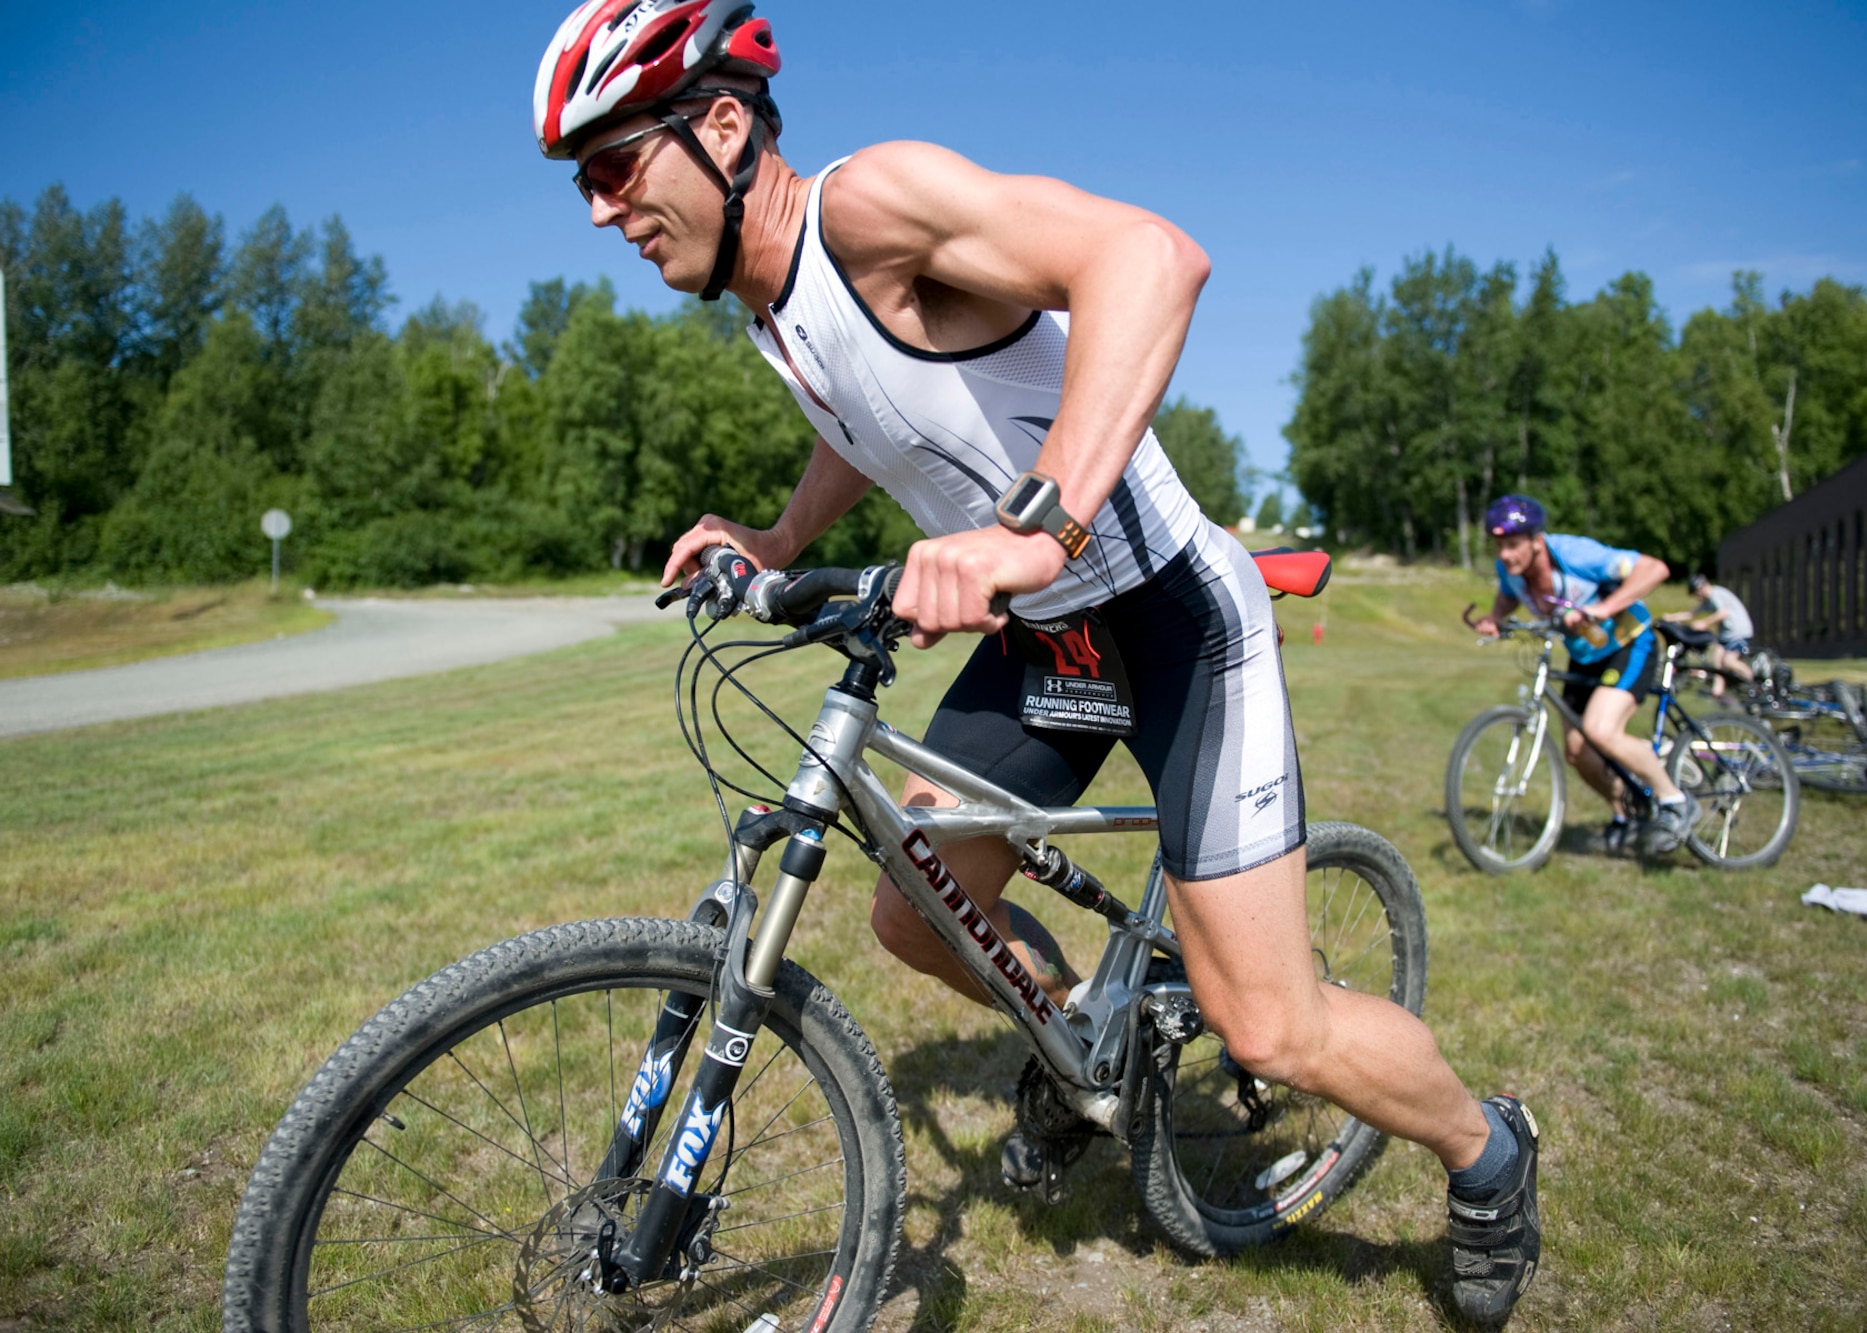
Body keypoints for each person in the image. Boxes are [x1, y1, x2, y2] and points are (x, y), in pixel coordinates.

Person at [535, 2, 1539, 1320]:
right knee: (916, 905)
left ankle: (1488, 1150)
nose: (603, 212)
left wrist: (1036, 523)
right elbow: (875, 415)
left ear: (721, 127)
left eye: (613, 168)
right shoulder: (775, 305)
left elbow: (1150, 257)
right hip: (1054, 633)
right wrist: (780, 533)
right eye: (584, 185)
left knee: (1271, 1024)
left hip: (1171, 614)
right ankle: (1087, 1045)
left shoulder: (873, 205)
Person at [1470, 496, 1694, 857]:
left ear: (1536, 541)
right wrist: (1495, 619)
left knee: (1601, 730)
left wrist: (1601, 608)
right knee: (1578, 752)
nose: (1505, 555)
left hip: (1628, 643)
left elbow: (1655, 569)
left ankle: (1675, 801)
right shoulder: (1510, 572)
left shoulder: (1574, 555)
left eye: (1512, 545)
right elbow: (1508, 595)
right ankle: (1628, 814)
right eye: (1499, 546)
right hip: (1584, 656)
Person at [1664, 572, 1756, 698]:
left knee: (1729, 661)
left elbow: (1723, 613)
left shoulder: (1715, 594)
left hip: (1738, 632)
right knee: (1716, 660)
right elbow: (1691, 614)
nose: (1697, 597)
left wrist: (1705, 623)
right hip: (1726, 635)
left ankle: (1753, 685)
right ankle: (1717, 691)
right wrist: (1671, 617)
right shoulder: (1709, 600)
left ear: (1700, 589)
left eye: (1696, 594)